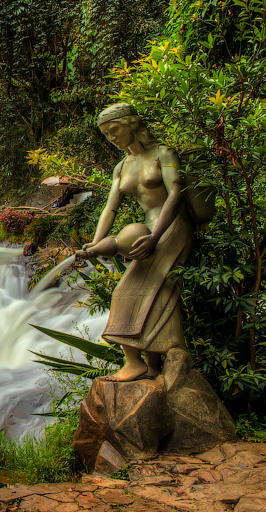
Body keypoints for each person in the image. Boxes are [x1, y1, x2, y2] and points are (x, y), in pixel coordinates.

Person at [76, 103, 194, 382]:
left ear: (130, 123)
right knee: (156, 291)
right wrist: (95, 243)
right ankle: (152, 366)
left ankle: (136, 362)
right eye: (105, 134)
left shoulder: (163, 153)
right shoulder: (121, 166)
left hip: (172, 225)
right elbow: (110, 208)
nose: (112, 137)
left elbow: (176, 193)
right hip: (146, 230)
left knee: (130, 290)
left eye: (114, 130)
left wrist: (156, 236)